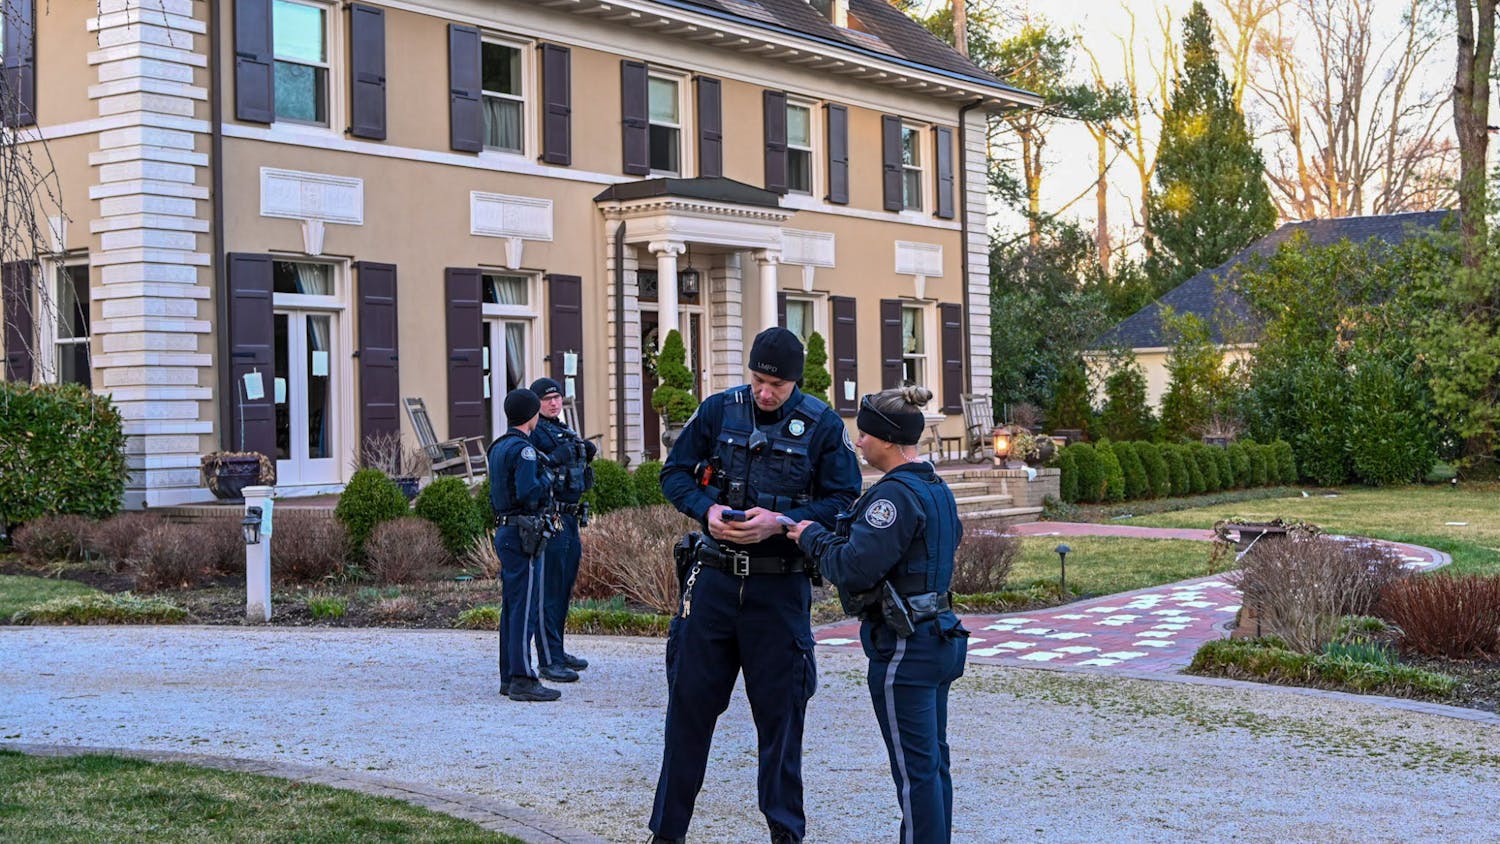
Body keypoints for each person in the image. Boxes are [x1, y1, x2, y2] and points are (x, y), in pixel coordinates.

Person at [649, 326, 862, 844]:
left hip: (779, 591)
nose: (765, 392)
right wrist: (707, 509)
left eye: (777, 385)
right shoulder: (721, 410)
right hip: (714, 584)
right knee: (687, 719)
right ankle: (666, 835)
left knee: (781, 727)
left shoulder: (823, 425)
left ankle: (786, 837)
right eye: (759, 380)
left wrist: (782, 522)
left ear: (797, 382)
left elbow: (843, 502)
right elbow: (674, 474)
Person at [788, 386, 969, 844]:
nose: (859, 442)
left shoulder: (893, 497)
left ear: (888, 440)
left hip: (905, 645)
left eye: (864, 434)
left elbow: (852, 567)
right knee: (931, 765)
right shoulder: (936, 485)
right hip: (940, 635)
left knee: (914, 773)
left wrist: (810, 535)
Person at [488, 387, 561, 703]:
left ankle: (509, 676)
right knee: (525, 608)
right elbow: (529, 491)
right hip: (523, 533)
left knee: (513, 607)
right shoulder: (525, 450)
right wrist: (548, 479)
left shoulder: (499, 446)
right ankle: (522, 678)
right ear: (532, 415)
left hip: (507, 531)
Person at [527, 376, 596, 682]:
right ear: (536, 404)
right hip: (551, 518)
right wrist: (559, 457)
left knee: (564, 587)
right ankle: (547, 659)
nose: (554, 403)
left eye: (557, 398)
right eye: (547, 399)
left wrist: (584, 453)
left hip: (570, 517)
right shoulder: (535, 432)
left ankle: (558, 650)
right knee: (549, 590)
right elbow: (535, 469)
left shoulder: (562, 428)